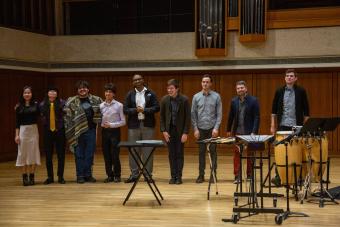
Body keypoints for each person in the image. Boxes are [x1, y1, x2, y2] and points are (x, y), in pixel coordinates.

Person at [270, 68, 310, 186]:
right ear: (285, 78)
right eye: (287, 76)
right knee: (281, 150)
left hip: (297, 125)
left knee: (298, 150)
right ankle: (279, 176)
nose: (289, 77)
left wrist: (305, 126)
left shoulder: (301, 91)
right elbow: (273, 110)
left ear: (296, 78)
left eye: (292, 76)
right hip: (282, 125)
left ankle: (299, 177)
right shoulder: (279, 91)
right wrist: (272, 125)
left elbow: (306, 110)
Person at [64, 80, 103, 184]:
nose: (82, 89)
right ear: (77, 90)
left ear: (88, 89)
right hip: (77, 132)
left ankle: (88, 175)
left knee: (89, 154)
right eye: (80, 88)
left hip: (91, 131)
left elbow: (102, 111)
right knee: (79, 155)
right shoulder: (71, 101)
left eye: (84, 87)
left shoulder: (96, 100)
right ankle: (80, 175)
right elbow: (67, 117)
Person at [123, 74, 160, 183]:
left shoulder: (151, 93)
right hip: (134, 126)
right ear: (133, 82)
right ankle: (134, 174)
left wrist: (144, 110)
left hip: (147, 125)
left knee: (148, 150)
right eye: (135, 80)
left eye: (139, 79)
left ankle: (148, 175)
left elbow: (156, 107)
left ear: (143, 80)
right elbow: (125, 110)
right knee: (134, 150)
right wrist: (136, 110)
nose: (137, 81)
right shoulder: (130, 94)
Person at [226, 81, 260, 184]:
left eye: (241, 88)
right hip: (238, 132)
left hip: (249, 132)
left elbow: (257, 117)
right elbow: (230, 116)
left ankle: (249, 175)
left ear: (246, 88)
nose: (240, 89)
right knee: (237, 154)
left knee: (250, 154)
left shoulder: (254, 100)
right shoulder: (234, 101)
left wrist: (254, 131)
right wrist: (228, 130)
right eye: (238, 88)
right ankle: (237, 176)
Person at [191, 74, 222, 183]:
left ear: (211, 83)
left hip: (212, 129)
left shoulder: (216, 96)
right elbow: (193, 114)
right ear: (201, 83)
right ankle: (201, 175)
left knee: (213, 152)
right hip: (200, 129)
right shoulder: (196, 97)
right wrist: (195, 129)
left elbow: (219, 114)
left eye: (207, 82)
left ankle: (213, 174)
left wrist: (216, 128)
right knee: (201, 152)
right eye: (203, 82)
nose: (205, 84)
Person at [160, 79, 191, 185]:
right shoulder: (164, 100)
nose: (169, 90)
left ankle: (179, 176)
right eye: (168, 88)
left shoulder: (184, 100)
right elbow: (162, 117)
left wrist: (185, 132)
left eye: (171, 88)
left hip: (180, 131)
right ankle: (173, 176)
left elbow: (188, 118)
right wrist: (163, 131)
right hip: (169, 131)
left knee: (179, 154)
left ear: (177, 89)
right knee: (171, 154)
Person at [39, 86, 66, 184]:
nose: (53, 93)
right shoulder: (42, 104)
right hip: (47, 132)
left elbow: (67, 115)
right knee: (48, 156)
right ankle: (50, 177)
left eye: (55, 91)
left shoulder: (63, 103)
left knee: (61, 155)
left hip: (60, 131)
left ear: (57, 94)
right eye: (51, 91)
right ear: (47, 93)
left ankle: (60, 176)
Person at [15, 86, 41, 186]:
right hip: (23, 131)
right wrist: (16, 135)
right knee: (23, 154)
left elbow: (42, 113)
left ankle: (32, 176)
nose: (27, 94)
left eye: (29, 92)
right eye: (25, 92)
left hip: (33, 130)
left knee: (33, 153)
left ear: (32, 94)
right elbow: (17, 123)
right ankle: (24, 177)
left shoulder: (36, 105)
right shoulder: (18, 107)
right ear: (23, 94)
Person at [100, 83, 126, 183]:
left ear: (114, 94)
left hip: (115, 132)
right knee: (106, 155)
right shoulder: (101, 105)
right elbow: (100, 119)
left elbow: (123, 122)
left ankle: (117, 175)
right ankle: (109, 175)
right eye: (106, 91)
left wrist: (111, 125)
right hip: (104, 132)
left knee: (115, 154)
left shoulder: (119, 105)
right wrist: (103, 124)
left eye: (110, 92)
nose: (107, 93)